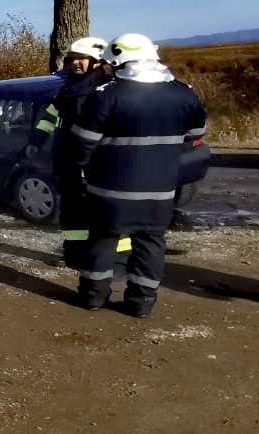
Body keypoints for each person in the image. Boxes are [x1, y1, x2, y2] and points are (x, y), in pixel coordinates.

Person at [68, 33, 206, 317]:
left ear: (118, 62)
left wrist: (81, 169)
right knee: (151, 243)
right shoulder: (184, 93)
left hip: (109, 190)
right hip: (161, 190)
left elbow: (82, 143)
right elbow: (194, 137)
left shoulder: (107, 95)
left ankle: (93, 298)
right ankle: (141, 303)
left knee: (102, 240)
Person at [34, 37, 110, 268]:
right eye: (73, 59)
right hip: (70, 160)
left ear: (96, 61)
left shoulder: (105, 90)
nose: (76, 63)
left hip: (98, 162)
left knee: (103, 211)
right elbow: (51, 114)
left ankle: (113, 258)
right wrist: (36, 139)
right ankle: (75, 255)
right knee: (72, 210)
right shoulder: (69, 88)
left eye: (82, 59)